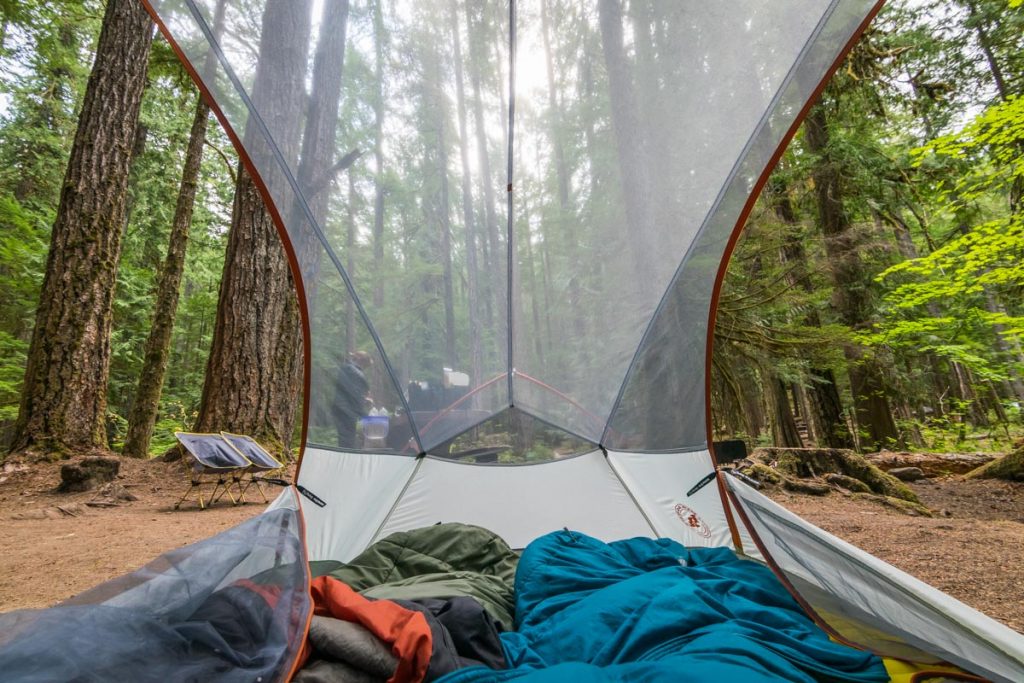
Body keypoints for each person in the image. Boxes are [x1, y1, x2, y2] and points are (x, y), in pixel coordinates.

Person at [335, 351, 372, 449]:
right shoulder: (356, 374)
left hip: (341, 409)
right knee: (347, 442)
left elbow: (349, 392)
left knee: (343, 440)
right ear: (363, 362)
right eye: (366, 365)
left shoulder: (346, 368)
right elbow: (355, 396)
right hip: (347, 412)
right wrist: (365, 414)